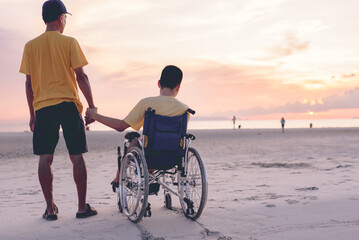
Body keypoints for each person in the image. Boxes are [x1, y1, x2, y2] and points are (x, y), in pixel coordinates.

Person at [20, 0, 97, 220]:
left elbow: (29, 83)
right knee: (77, 157)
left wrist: (32, 114)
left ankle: (50, 209)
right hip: (68, 104)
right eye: (66, 18)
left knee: (45, 158)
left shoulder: (30, 46)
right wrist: (91, 106)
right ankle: (82, 208)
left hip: (44, 107)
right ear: (61, 17)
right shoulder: (70, 42)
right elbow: (81, 76)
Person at [86, 65, 188, 190]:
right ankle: (150, 175)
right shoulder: (184, 109)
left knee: (135, 141)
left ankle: (118, 179)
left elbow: (120, 126)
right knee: (159, 141)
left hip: (151, 154)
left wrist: (94, 115)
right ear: (178, 86)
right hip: (174, 156)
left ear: (159, 83)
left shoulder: (147, 103)